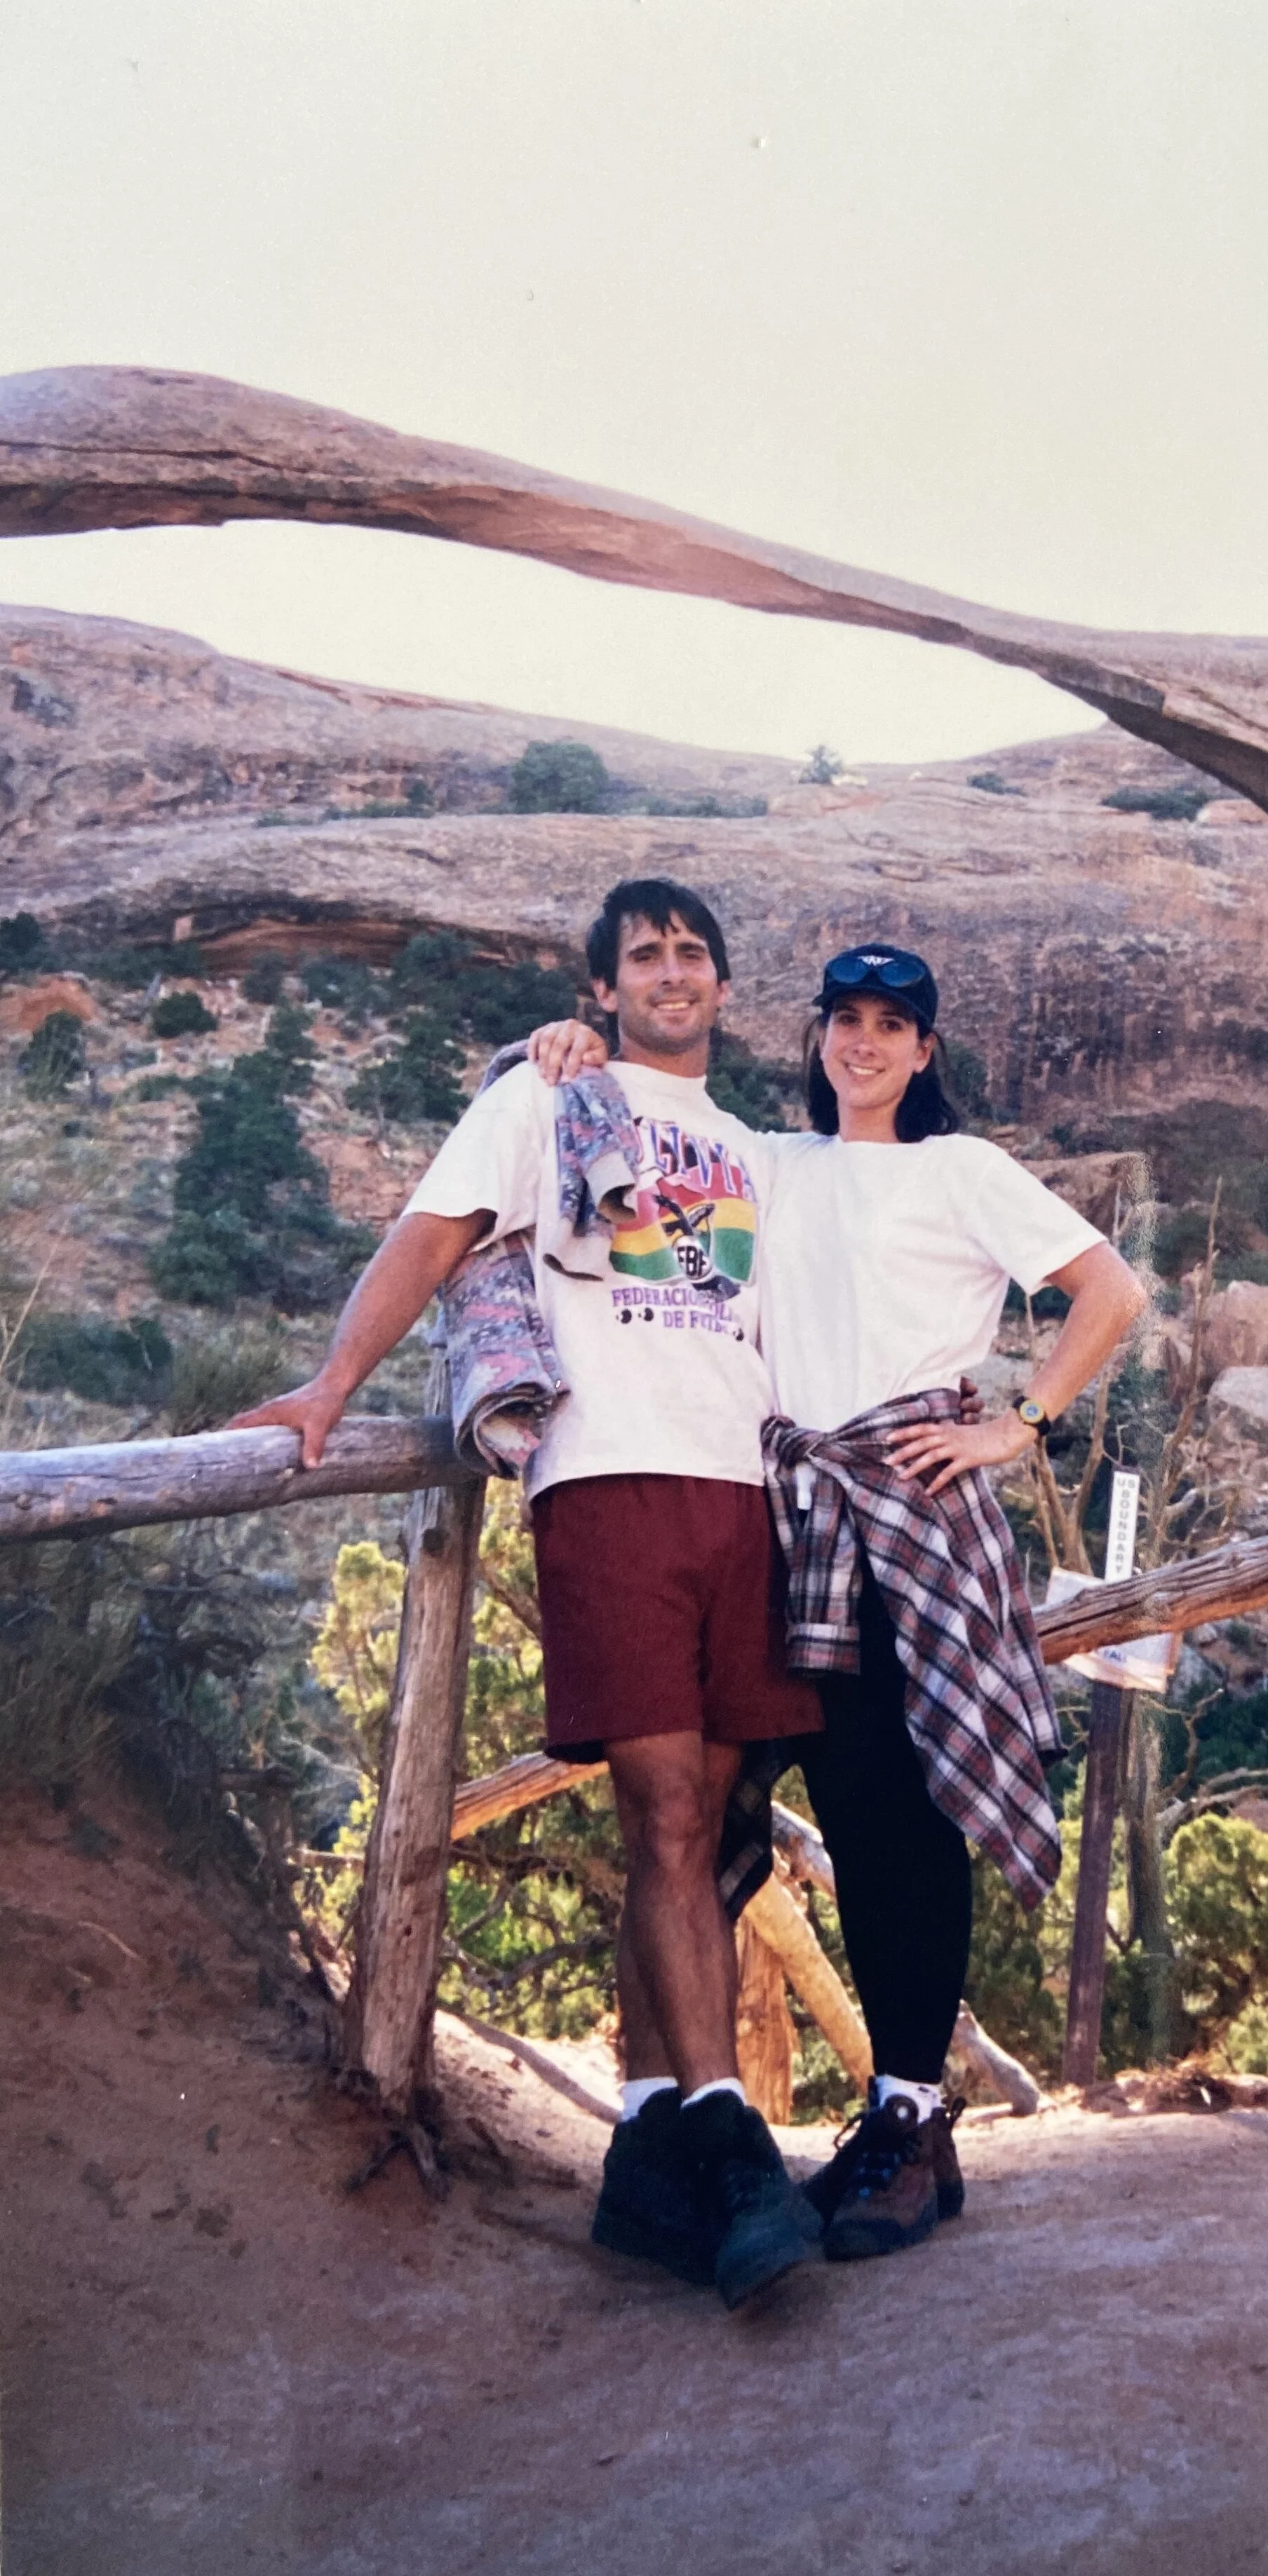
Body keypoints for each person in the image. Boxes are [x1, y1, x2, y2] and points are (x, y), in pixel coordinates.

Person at [230, 879, 824, 2310]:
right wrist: (330, 1387)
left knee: (707, 1823)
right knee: (667, 1806)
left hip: (745, 1491)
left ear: (722, 989)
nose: (672, 972)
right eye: (644, 956)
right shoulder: (540, 1102)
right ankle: (733, 2150)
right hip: (609, 1480)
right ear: (601, 994)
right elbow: (433, 1234)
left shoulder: (754, 1150)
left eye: (693, 952)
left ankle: (643, 2158)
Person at [529, 939, 1145, 2260]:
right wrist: (569, 1052)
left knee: (902, 1812)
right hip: (794, 1509)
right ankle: (762, 2125)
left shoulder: (963, 1169)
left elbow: (1111, 1291)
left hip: (910, 1508)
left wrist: (1019, 1421)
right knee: (785, 1799)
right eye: (845, 1020)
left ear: (927, 1051)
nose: (864, 1043)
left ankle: (914, 2121)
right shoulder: (777, 1161)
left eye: (892, 1026)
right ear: (820, 1037)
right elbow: (653, 1135)